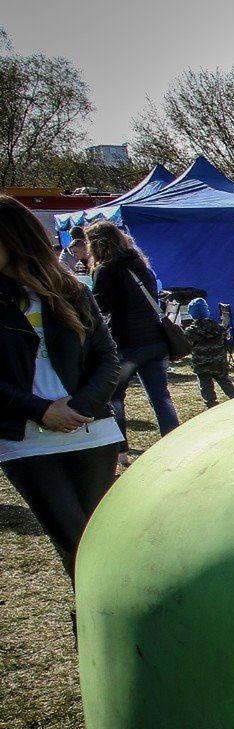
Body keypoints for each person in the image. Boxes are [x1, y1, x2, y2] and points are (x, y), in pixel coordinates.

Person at [0, 196, 123, 577]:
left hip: (91, 431)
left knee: (104, 540)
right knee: (74, 543)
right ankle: (92, 629)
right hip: (26, 440)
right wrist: (41, 410)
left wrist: (82, 406)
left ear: (15, 238)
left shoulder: (72, 291)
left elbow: (107, 358)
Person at [85, 221, 181, 457]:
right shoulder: (141, 268)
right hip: (155, 341)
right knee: (160, 397)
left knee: (115, 398)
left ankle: (121, 451)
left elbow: (100, 308)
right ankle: (174, 443)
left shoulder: (106, 271)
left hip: (126, 343)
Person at [179, 298, 234, 407]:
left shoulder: (191, 331)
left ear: (191, 313)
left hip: (202, 366)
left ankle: (211, 405)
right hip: (219, 363)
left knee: (206, 387)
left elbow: (185, 345)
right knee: (226, 383)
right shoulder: (219, 328)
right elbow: (226, 337)